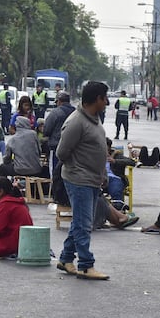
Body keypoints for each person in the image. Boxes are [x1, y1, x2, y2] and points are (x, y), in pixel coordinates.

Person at [56, 80, 110, 280]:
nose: (107, 103)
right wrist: (79, 167)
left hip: (92, 179)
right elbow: (62, 152)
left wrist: (101, 173)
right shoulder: (76, 121)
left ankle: (66, 258)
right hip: (79, 180)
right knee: (84, 224)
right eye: (105, 98)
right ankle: (86, 265)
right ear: (97, 99)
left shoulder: (94, 119)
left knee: (80, 222)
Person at [42, 91, 75, 174]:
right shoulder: (76, 112)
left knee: (55, 172)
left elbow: (46, 130)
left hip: (56, 147)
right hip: (74, 149)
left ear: (59, 101)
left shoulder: (55, 112)